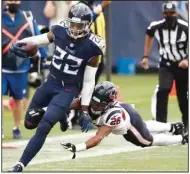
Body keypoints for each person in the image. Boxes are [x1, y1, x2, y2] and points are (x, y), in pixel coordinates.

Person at [9, 2, 105, 172]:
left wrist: (83, 109)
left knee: (44, 125)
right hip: (50, 82)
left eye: (79, 26)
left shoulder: (93, 47)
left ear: (88, 26)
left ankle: (20, 164)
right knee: (29, 123)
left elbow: (89, 80)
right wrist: (21, 42)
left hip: (68, 89)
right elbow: (41, 40)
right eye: (72, 24)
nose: (74, 29)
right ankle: (62, 115)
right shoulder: (60, 30)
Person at [60, 81, 188, 158]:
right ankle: (173, 127)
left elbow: (98, 137)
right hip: (127, 111)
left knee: (147, 141)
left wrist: (78, 147)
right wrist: (46, 112)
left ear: (108, 104)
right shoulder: (86, 100)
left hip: (127, 122)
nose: (94, 106)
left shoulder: (112, 115)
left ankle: (182, 138)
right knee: (143, 126)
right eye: (93, 101)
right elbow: (63, 105)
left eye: (100, 104)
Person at [2, 0, 47, 139]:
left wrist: (43, 57)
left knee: (18, 99)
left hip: (21, 66)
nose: (13, 3)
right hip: (3, 66)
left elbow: (37, 36)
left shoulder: (27, 17)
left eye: (16, 0)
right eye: (11, 0)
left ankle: (16, 128)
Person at [140, 2, 188, 129]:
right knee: (163, 91)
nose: (169, 16)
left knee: (183, 95)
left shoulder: (185, 27)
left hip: (182, 65)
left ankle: (187, 123)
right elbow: (149, 34)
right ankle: (161, 124)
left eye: (171, 13)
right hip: (166, 64)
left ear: (176, 13)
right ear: (162, 14)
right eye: (166, 14)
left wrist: (187, 59)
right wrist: (145, 56)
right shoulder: (156, 26)